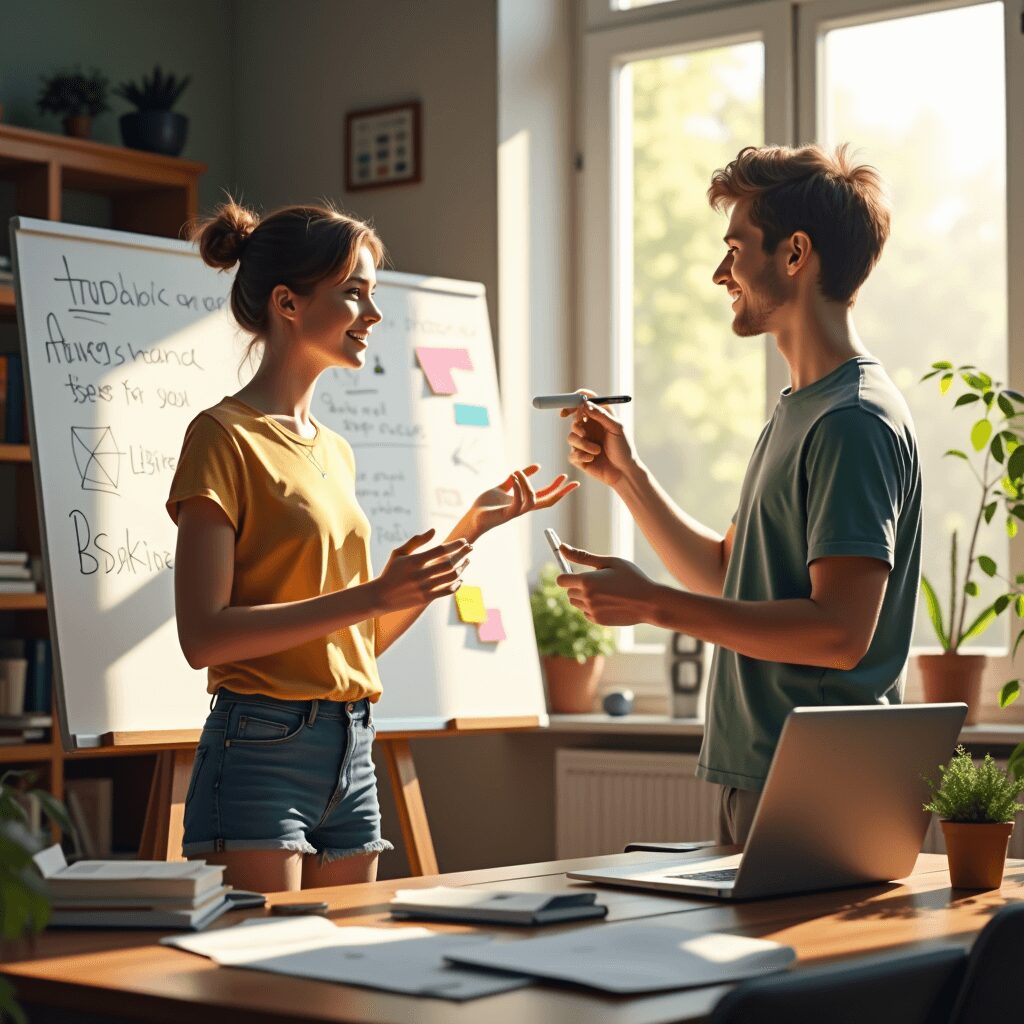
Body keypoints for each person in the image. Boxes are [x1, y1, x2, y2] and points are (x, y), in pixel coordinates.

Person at [167, 200, 577, 892]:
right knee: (257, 986)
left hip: (353, 746)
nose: (373, 315)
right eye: (353, 294)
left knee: (345, 982)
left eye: (371, 295)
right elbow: (203, 638)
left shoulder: (335, 450)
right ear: (287, 303)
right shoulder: (222, 438)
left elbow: (354, 640)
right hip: (259, 747)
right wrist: (372, 593)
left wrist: (468, 528)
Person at [558, 144, 920, 846]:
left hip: (818, 784)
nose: (720, 273)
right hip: (763, 772)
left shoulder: (852, 420)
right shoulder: (801, 410)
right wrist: (627, 477)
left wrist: (652, 605)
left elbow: (841, 634)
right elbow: (732, 576)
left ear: (795, 254)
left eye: (735, 248)